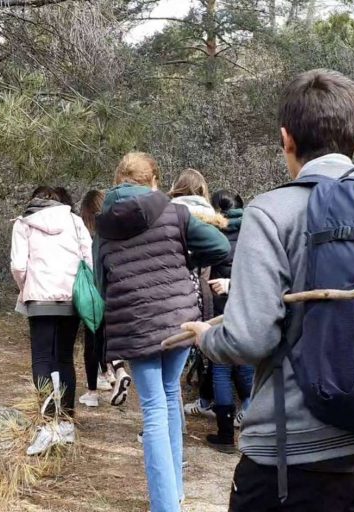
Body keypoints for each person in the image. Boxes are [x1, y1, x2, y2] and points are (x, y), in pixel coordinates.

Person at [183, 69, 354, 511]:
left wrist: (206, 337)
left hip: (295, 453)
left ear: (286, 139)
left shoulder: (272, 211)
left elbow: (249, 338)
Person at [96, 152, 229, 512]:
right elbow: (220, 246)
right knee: (170, 396)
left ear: (118, 182)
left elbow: (100, 281)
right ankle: (176, 492)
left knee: (154, 407)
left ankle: (165, 504)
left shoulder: (104, 225)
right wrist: (184, 260)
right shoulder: (175, 213)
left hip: (136, 324)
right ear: (154, 181)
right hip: (178, 320)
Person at [11, 186, 92, 454]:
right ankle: (66, 422)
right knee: (65, 358)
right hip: (71, 297)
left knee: (42, 359)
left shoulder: (24, 223)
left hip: (39, 298)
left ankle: (47, 425)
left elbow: (18, 266)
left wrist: (27, 287)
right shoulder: (75, 221)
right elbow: (89, 259)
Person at [170, 168, 225, 420]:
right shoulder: (211, 216)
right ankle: (205, 399)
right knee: (203, 351)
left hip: (173, 292)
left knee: (169, 370)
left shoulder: (169, 212)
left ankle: (174, 422)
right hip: (203, 293)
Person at [202, 189, 254, 453]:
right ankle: (253, 428)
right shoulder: (253, 231)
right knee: (246, 365)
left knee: (221, 367)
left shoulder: (213, 234)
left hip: (220, 308)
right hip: (248, 307)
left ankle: (225, 435)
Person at [77, 189, 130, 407]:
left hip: (96, 294)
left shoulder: (93, 237)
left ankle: (92, 393)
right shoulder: (121, 232)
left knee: (92, 342)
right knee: (110, 337)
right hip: (120, 294)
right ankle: (117, 371)